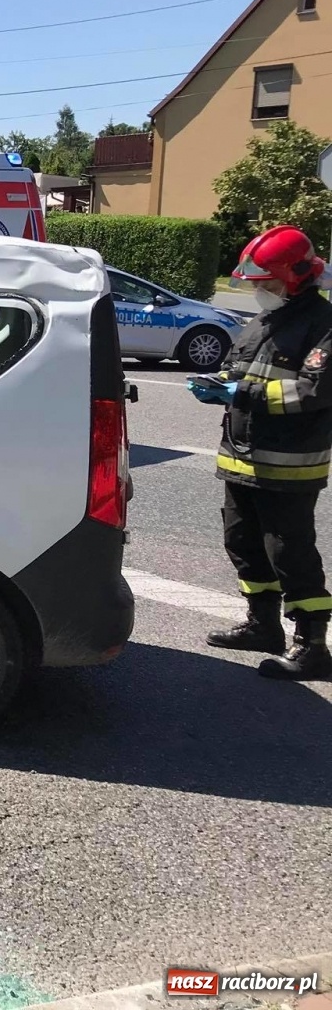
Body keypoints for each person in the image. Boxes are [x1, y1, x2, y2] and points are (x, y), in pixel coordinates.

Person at [193, 224, 332, 681]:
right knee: (244, 543)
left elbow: (313, 392)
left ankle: (311, 646)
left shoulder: (322, 324)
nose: (260, 292)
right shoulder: (268, 318)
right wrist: (219, 385)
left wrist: (241, 393)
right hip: (241, 456)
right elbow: (242, 368)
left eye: (266, 283)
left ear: (296, 277)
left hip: (287, 464)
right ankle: (263, 626)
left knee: (289, 553)